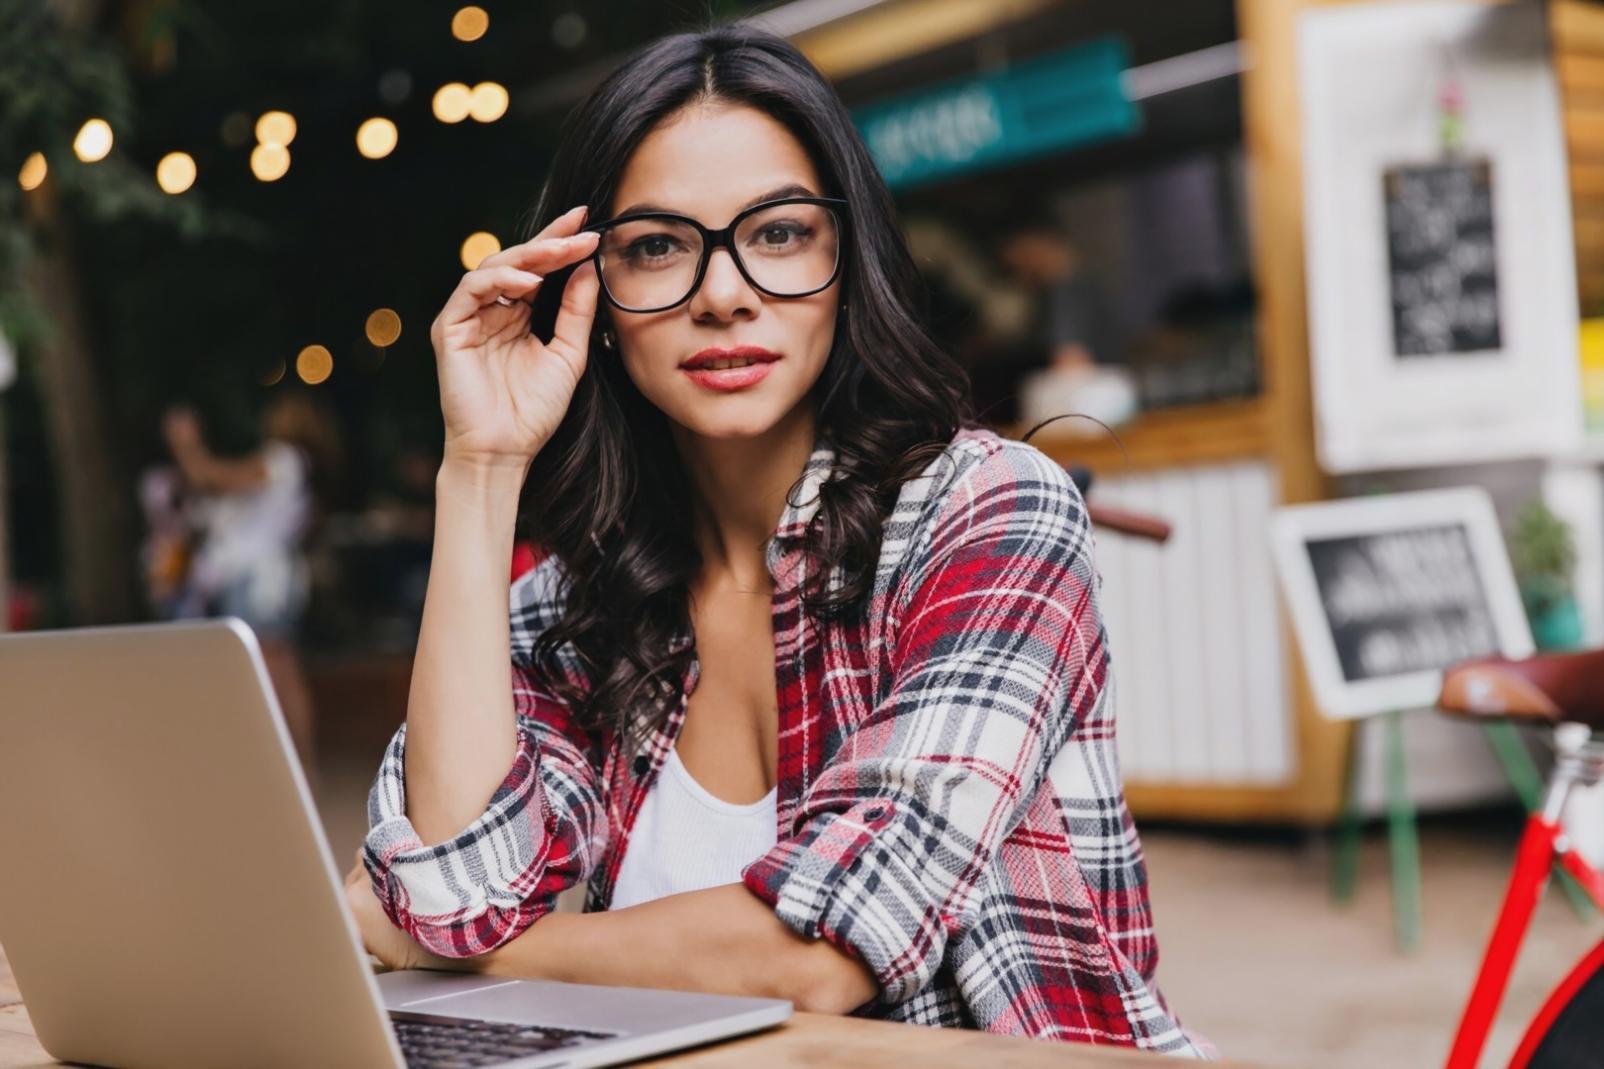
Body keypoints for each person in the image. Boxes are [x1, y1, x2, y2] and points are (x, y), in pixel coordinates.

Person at [343, 26, 1209, 1056]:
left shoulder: (988, 513)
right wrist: (480, 469)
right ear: (591, 294)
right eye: (657, 245)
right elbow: (452, 889)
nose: (722, 293)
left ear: (846, 263)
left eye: (780, 232)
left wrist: (459, 954)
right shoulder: (578, 601)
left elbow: (825, 949)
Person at [161, 392, 338, 771]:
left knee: (268, 671)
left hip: (261, 581)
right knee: (281, 666)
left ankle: (287, 764)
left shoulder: (282, 459)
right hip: (270, 577)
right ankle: (300, 764)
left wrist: (187, 444)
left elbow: (214, 477)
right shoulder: (298, 464)